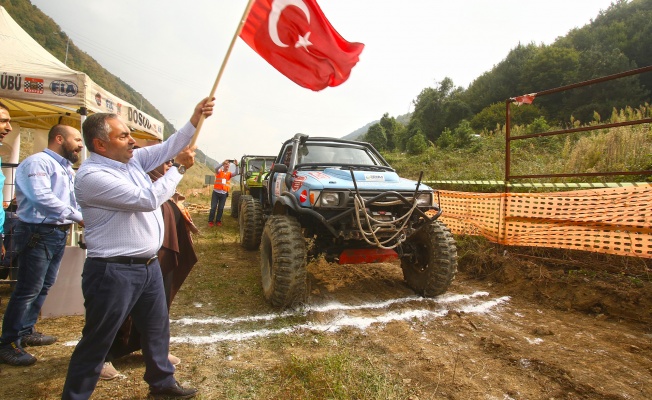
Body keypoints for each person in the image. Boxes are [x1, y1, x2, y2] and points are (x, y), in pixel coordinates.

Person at [61, 97, 214, 400]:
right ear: (100, 145)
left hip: (146, 267)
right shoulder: (93, 177)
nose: (132, 141)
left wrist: (195, 118)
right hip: (113, 270)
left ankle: (162, 384)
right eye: (123, 136)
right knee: (97, 341)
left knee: (156, 330)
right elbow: (147, 199)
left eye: (129, 134)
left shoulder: (130, 161)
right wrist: (178, 171)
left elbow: (169, 147)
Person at [100, 156, 199, 381]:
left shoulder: (163, 189)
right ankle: (103, 357)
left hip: (157, 262)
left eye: (171, 163)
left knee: (156, 312)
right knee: (118, 311)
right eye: (166, 162)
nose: (169, 166)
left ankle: (153, 351)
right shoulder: (136, 189)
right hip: (130, 262)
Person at [0, 124, 85, 366]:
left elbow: (71, 199)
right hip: (38, 231)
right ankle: (8, 343)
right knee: (28, 288)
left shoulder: (65, 167)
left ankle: (26, 331)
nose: (81, 144)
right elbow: (41, 197)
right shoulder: (37, 163)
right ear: (59, 138)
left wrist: (78, 214)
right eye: (77, 139)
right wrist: (78, 216)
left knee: (44, 285)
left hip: (56, 232)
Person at [208, 159, 237, 227]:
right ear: (223, 165)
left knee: (221, 208)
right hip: (216, 192)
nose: (227, 166)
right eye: (226, 164)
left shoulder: (229, 174)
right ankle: (210, 221)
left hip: (223, 194)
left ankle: (218, 221)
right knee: (213, 207)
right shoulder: (219, 171)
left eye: (228, 165)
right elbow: (216, 168)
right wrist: (222, 163)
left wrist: (236, 165)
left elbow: (236, 173)